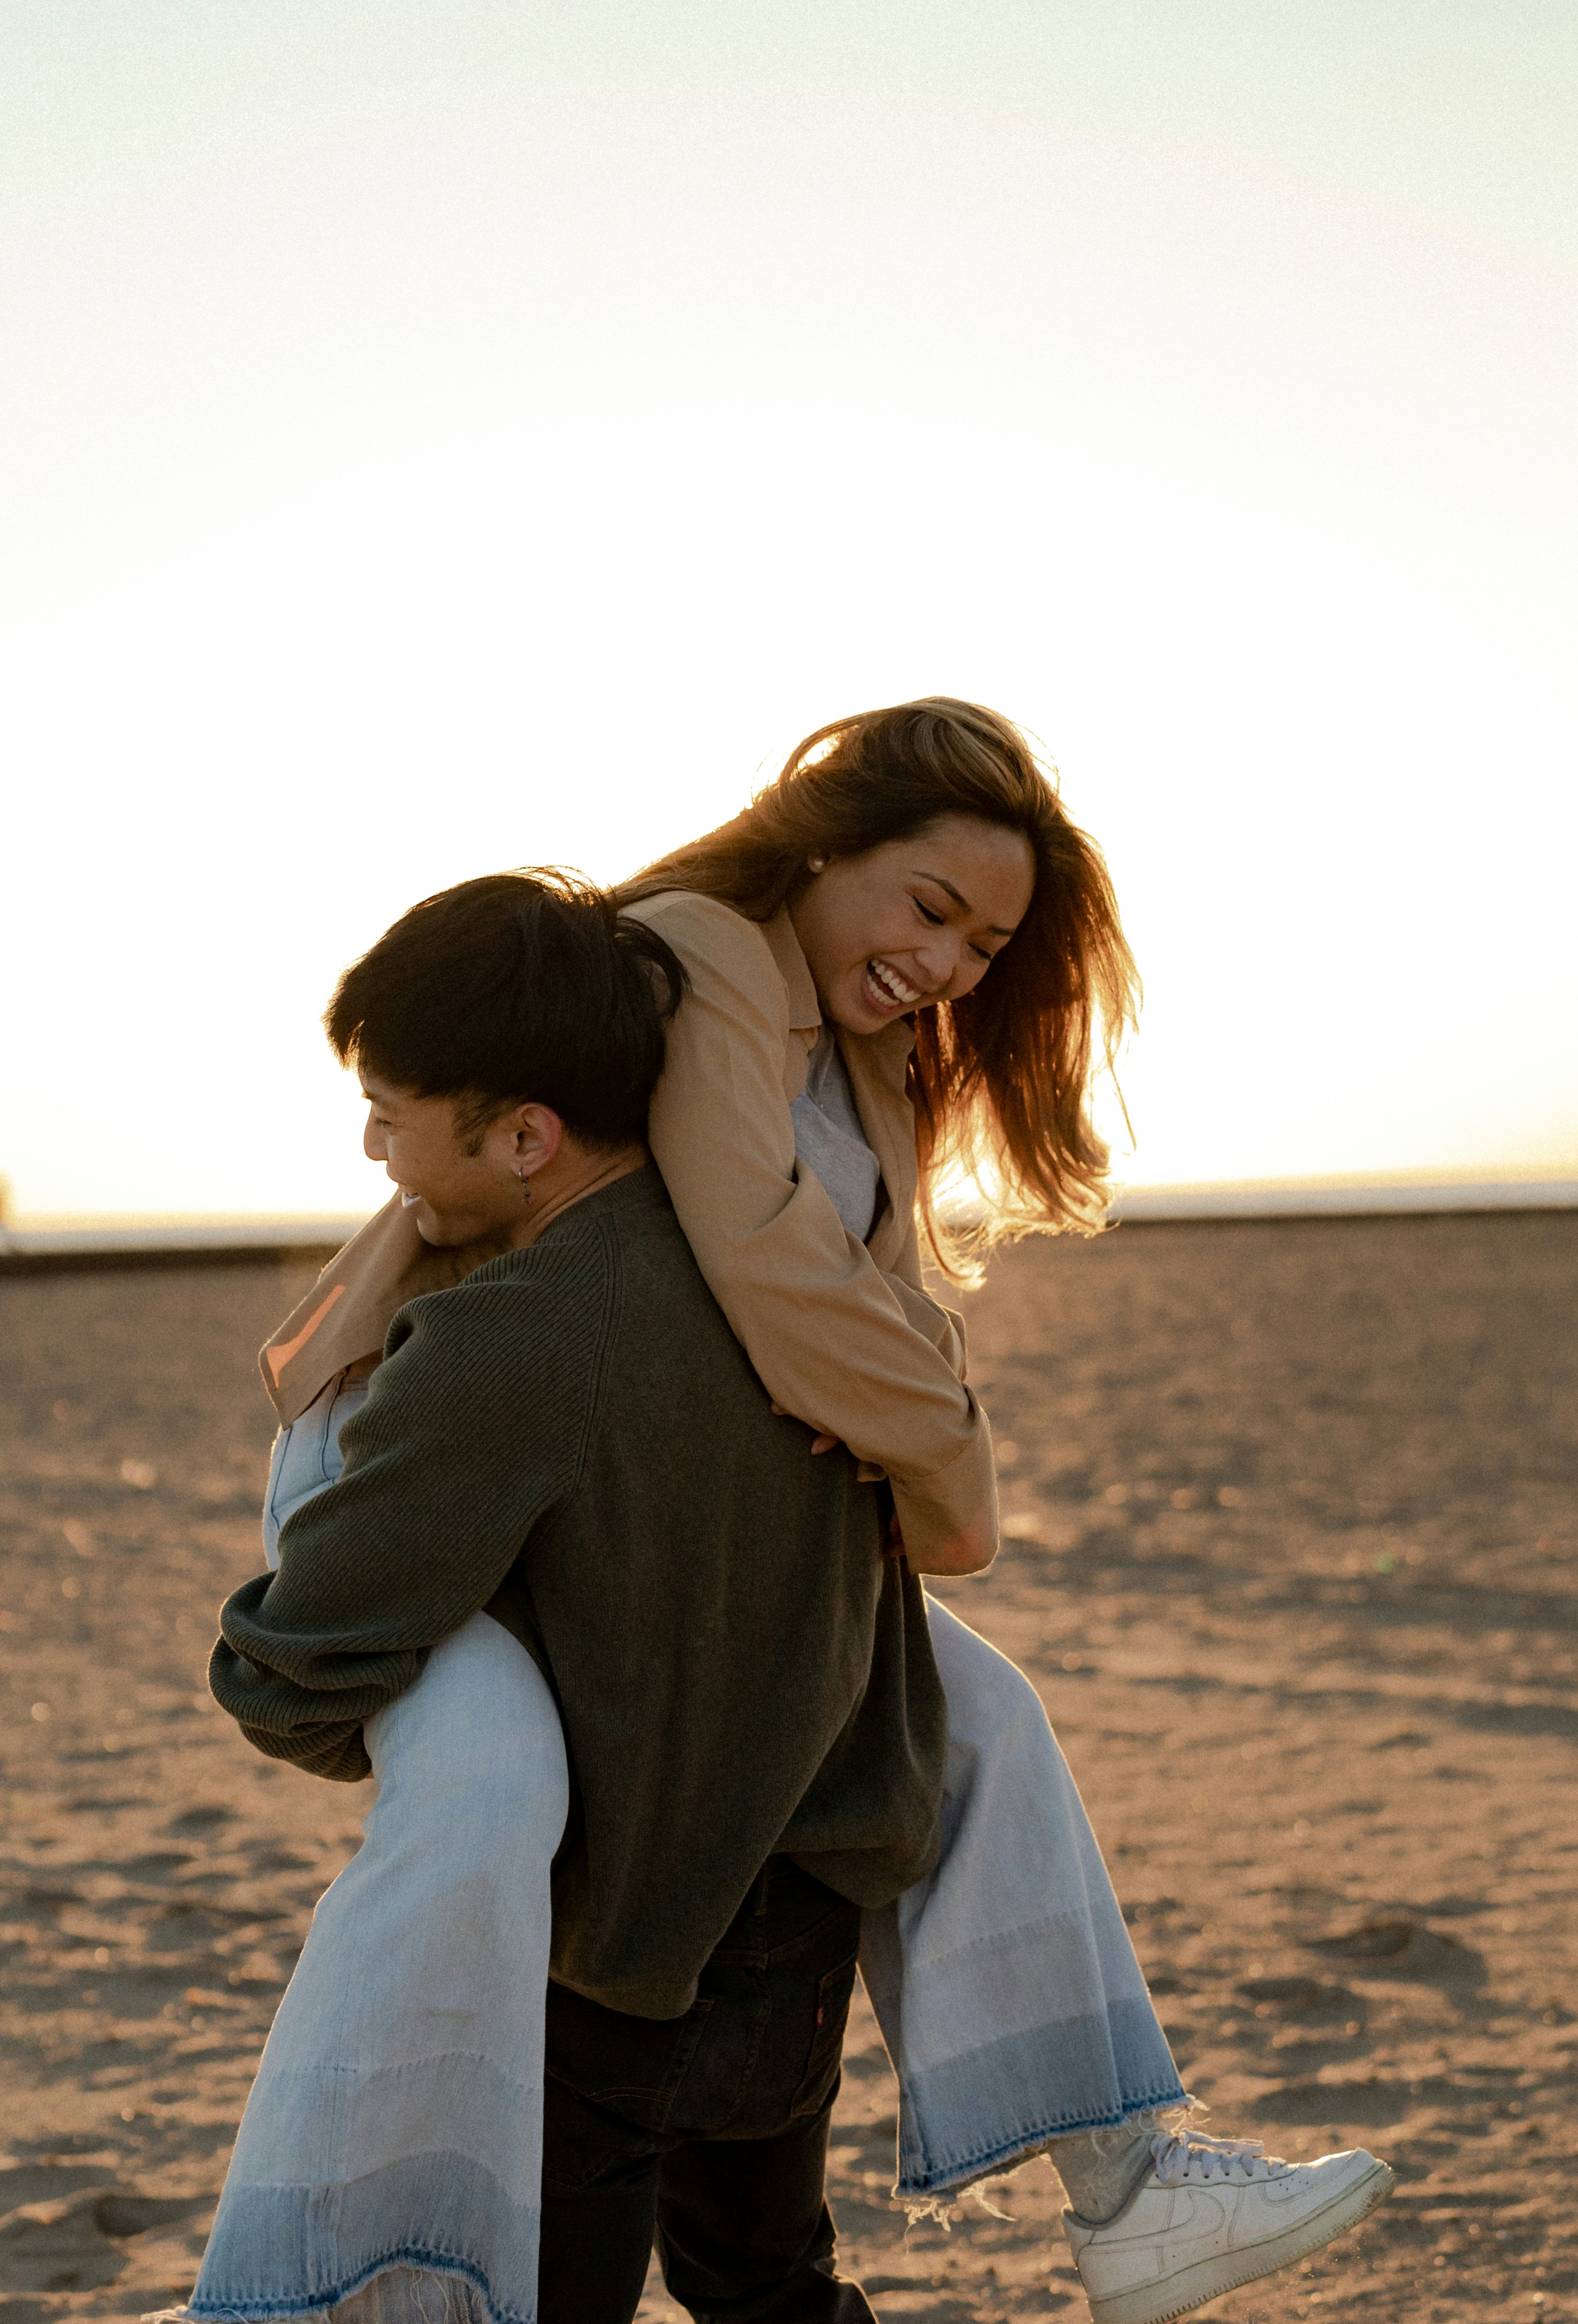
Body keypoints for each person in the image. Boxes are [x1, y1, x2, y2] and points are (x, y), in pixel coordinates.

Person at [192, 700, 1390, 2324]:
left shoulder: (864, 1044)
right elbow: (763, 1265)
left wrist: (887, 1429)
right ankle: (303, 2274)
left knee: (976, 1728)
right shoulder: (691, 963)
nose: (954, 960)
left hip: (588, 1491)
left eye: (987, 939)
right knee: (482, 1805)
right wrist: (937, 1468)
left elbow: (868, 1292)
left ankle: (1128, 2176)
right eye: (930, 907)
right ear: (824, 845)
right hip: (455, 1479)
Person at [210, 871, 948, 2322]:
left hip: (617, 1964)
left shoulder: (512, 1339)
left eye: (393, 1113)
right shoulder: (785, 1279)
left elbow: (293, 1671)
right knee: (769, 2279)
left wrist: (450, 1717)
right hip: (801, 1933)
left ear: (527, 1137)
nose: (374, 1147)